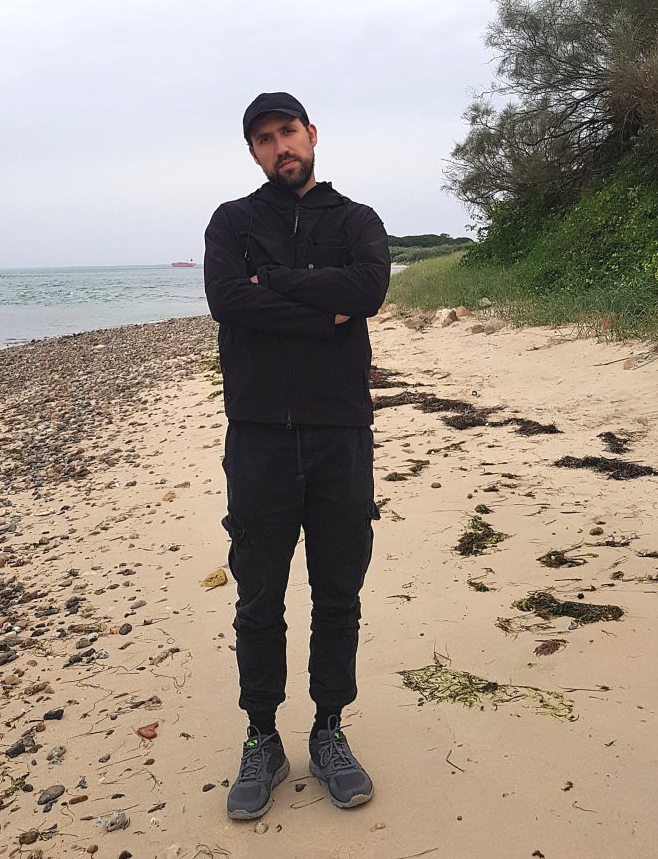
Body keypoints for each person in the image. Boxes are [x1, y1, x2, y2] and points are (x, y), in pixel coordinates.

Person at [203, 92, 391, 820]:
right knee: (258, 598)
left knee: (338, 593)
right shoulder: (232, 222)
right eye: (264, 138)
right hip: (258, 438)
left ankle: (328, 730)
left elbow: (367, 288)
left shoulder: (356, 220)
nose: (280, 146)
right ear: (252, 151)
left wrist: (276, 284)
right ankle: (262, 738)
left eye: (288, 132)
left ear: (311, 134)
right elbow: (229, 301)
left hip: (340, 434)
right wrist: (324, 314)